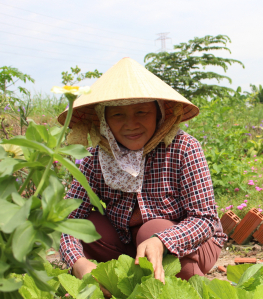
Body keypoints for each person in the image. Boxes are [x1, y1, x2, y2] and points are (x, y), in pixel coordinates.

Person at [58, 58, 226, 294]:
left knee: (152, 229)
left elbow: (206, 220)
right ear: (104, 121)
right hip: (128, 246)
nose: (131, 124)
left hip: (194, 244)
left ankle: (182, 284)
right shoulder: (95, 157)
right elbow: (67, 220)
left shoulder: (183, 148)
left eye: (141, 112)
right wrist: (79, 264)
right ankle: (126, 277)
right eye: (118, 115)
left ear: (158, 114)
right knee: (84, 225)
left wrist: (162, 240)